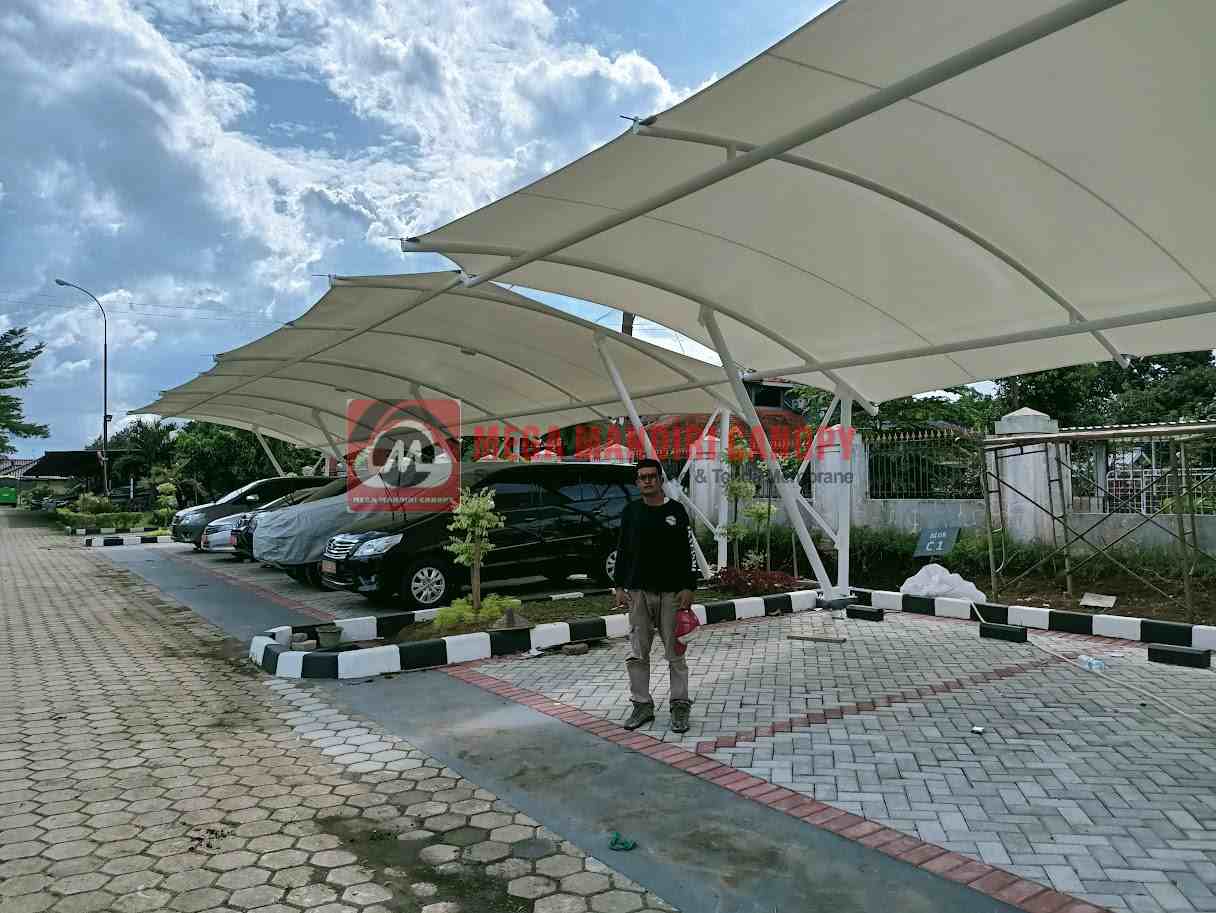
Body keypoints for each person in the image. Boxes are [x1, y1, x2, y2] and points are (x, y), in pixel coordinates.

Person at [612, 458, 700, 733]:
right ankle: (642, 705)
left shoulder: (676, 511)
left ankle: (680, 705)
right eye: (642, 477)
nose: (647, 481)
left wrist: (689, 587)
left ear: (661, 480)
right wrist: (619, 586)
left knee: (676, 653)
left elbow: (689, 551)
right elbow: (623, 550)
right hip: (638, 592)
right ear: (637, 482)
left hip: (672, 593)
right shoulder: (631, 512)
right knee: (638, 653)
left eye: (652, 476)